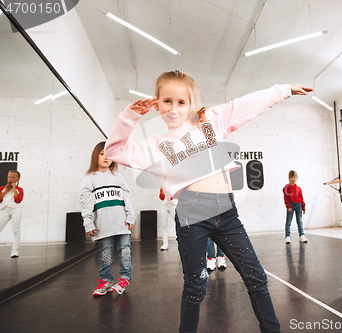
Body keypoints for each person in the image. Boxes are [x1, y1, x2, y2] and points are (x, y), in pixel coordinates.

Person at [105, 69, 312, 333]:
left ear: (191, 103)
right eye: (167, 101)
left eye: (181, 102)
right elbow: (114, 150)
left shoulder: (211, 120)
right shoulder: (154, 145)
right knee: (195, 286)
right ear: (156, 104)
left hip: (225, 210)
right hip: (192, 214)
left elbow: (248, 104)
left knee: (256, 278)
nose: (174, 108)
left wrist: (284, 90)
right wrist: (130, 117)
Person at [80, 141, 136, 296]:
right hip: (102, 224)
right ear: (95, 155)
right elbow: (86, 204)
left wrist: (130, 217)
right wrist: (88, 222)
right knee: (106, 252)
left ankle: (125, 278)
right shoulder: (88, 179)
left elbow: (127, 199)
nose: (106, 157)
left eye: (110, 154)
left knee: (125, 251)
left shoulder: (118, 178)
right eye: (102, 154)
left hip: (121, 222)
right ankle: (105, 280)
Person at [0, 170, 24, 258]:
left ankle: (15, 251)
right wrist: (5, 191)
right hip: (5, 211)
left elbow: (18, 200)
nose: (10, 179)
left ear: (18, 179)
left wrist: (14, 188)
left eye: (13, 177)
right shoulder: (2, 188)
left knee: (16, 230)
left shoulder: (20, 190)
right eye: (9, 177)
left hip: (15, 211)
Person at [283, 170, 307, 244]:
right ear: (289, 178)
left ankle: (301, 235)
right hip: (291, 205)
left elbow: (301, 198)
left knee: (299, 221)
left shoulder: (299, 188)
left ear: (297, 178)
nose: (293, 179)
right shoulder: (287, 187)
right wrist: (288, 206)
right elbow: (286, 197)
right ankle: (287, 236)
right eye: (291, 177)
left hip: (299, 205)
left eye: (294, 177)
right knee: (288, 221)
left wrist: (303, 207)